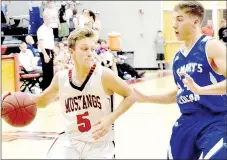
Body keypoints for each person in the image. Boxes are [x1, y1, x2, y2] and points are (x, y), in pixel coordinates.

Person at [2, 28, 137, 159]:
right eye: (84, 49)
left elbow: (130, 95)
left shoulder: (104, 75)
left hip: (99, 144)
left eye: (92, 49)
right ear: (72, 52)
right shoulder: (61, 78)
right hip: (70, 142)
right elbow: (42, 101)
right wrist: (13, 98)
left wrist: (110, 119)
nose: (90, 53)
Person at [135, 1, 226, 159]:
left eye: (179, 19)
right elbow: (180, 92)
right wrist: (146, 98)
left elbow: (197, 89)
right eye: (173, 20)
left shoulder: (211, 46)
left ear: (195, 21)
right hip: (187, 121)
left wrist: (201, 90)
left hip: (215, 120)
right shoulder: (177, 57)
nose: (174, 25)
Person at [37, 14, 55, 91]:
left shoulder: (50, 29)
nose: (49, 20)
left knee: (51, 71)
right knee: (47, 72)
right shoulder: (41, 29)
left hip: (50, 50)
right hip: (45, 51)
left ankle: (50, 90)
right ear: (44, 19)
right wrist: (45, 54)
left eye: (50, 19)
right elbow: (41, 43)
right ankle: (45, 89)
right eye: (47, 19)